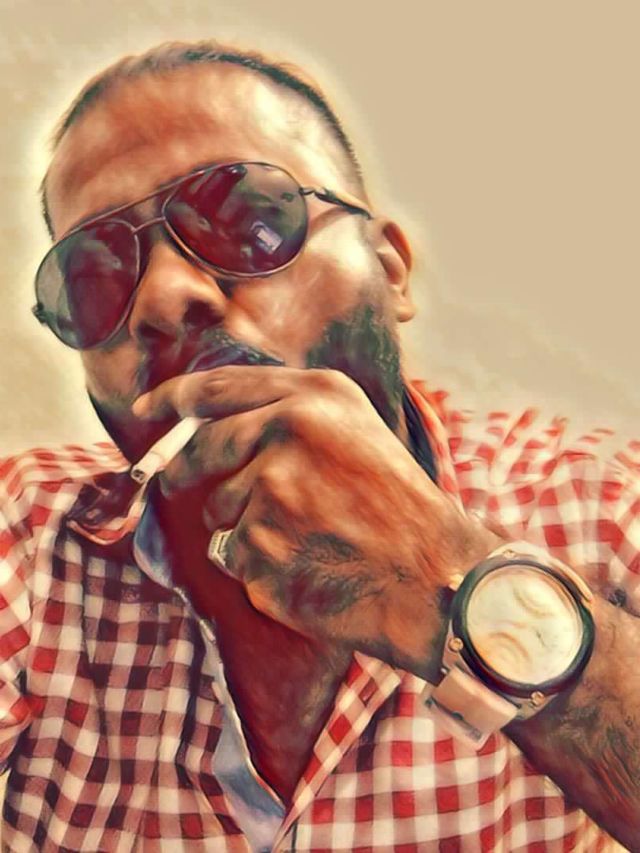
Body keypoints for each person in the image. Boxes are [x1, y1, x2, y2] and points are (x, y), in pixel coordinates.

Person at [1, 39, 638, 852]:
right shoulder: (29, 538)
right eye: (92, 279)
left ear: (390, 269)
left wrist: (445, 580)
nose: (162, 298)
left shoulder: (602, 502)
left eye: (247, 219)